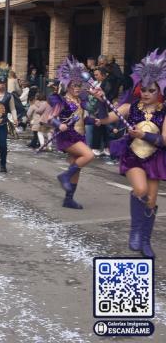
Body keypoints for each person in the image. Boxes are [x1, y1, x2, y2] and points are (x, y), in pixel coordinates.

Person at [93, 49, 166, 258]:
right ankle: (135, 231)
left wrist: (144, 135)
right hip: (134, 156)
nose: (146, 93)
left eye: (151, 90)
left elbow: (164, 140)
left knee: (151, 201)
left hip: (155, 158)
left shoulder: (164, 112)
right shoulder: (131, 107)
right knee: (141, 190)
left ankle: (145, 240)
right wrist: (100, 99)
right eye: (143, 89)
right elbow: (105, 118)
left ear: (159, 91)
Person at [49, 57, 95, 209]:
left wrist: (95, 120)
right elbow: (51, 118)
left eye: (79, 85)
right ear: (68, 86)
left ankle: (68, 199)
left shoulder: (80, 101)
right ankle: (65, 176)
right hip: (67, 137)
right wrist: (59, 124)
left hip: (79, 136)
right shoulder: (62, 101)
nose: (77, 87)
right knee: (89, 155)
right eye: (74, 85)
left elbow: (89, 114)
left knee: (77, 169)